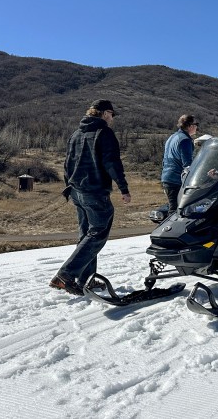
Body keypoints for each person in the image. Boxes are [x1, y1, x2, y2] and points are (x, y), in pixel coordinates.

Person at [50, 100, 131, 296]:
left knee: (86, 235)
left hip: (76, 190)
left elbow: (67, 164)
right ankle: (66, 275)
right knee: (98, 233)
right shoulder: (104, 133)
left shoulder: (76, 134)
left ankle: (86, 281)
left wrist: (68, 186)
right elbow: (112, 163)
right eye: (112, 114)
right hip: (95, 191)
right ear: (104, 113)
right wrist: (123, 188)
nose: (112, 118)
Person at [161, 114, 199, 212]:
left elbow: (165, 159)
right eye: (196, 124)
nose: (197, 127)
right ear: (190, 126)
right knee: (177, 211)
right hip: (176, 180)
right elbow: (187, 165)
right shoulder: (185, 140)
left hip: (166, 178)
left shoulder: (172, 137)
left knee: (173, 209)